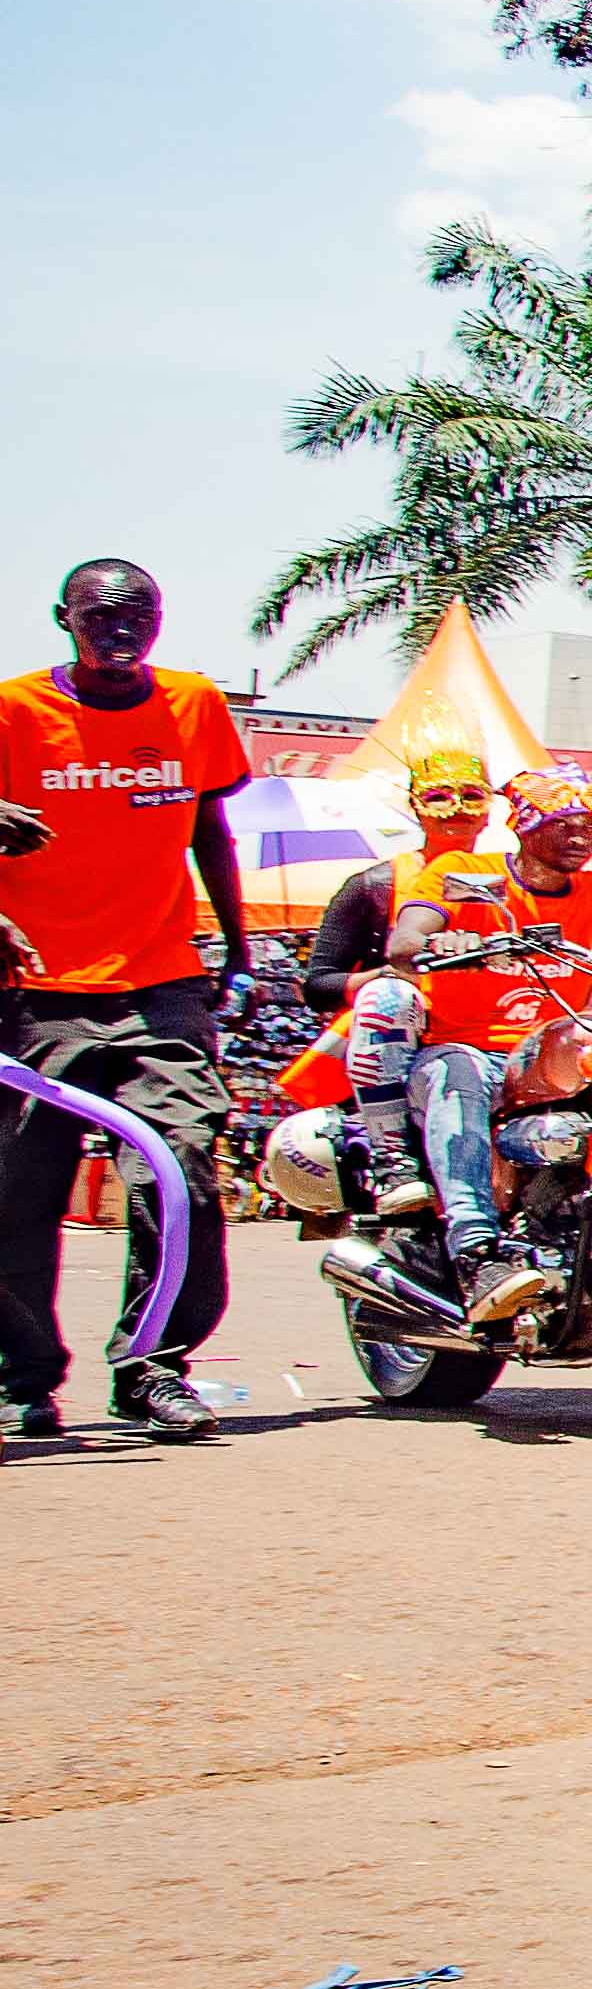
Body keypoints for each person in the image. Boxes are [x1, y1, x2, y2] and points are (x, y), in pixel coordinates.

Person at [0, 559, 254, 1442]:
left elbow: (208, 832)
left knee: (181, 1169)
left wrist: (239, 948)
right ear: (62, 617)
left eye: (139, 613)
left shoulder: (193, 705)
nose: (121, 629)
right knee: (17, 1193)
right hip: (30, 994)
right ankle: (23, 1377)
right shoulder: (13, 710)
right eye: (101, 614)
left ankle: (151, 1369)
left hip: (162, 982)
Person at [360, 763, 592, 1328]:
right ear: (526, 826)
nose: (582, 836)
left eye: (591, 826)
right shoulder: (462, 872)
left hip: (553, 1054)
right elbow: (405, 941)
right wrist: (445, 938)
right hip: (462, 1047)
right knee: (461, 1074)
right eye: (566, 824)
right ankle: (479, 1255)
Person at [306, 746, 499, 1013]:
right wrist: (386, 978)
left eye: (472, 796)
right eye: (438, 797)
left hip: (483, 1030)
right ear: (415, 807)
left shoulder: (505, 884)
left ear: (489, 812)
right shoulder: (374, 885)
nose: (457, 808)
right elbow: (319, 987)